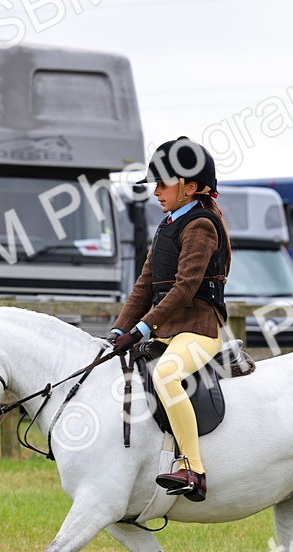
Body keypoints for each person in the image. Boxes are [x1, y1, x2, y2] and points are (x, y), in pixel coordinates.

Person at [110, 137, 231, 502]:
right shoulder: (167, 226)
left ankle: (192, 468)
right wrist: (119, 329)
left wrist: (141, 328)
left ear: (190, 188)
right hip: (169, 330)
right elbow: (145, 284)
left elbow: (184, 288)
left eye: (164, 184)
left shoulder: (201, 226)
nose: (156, 191)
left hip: (199, 329)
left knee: (166, 375)